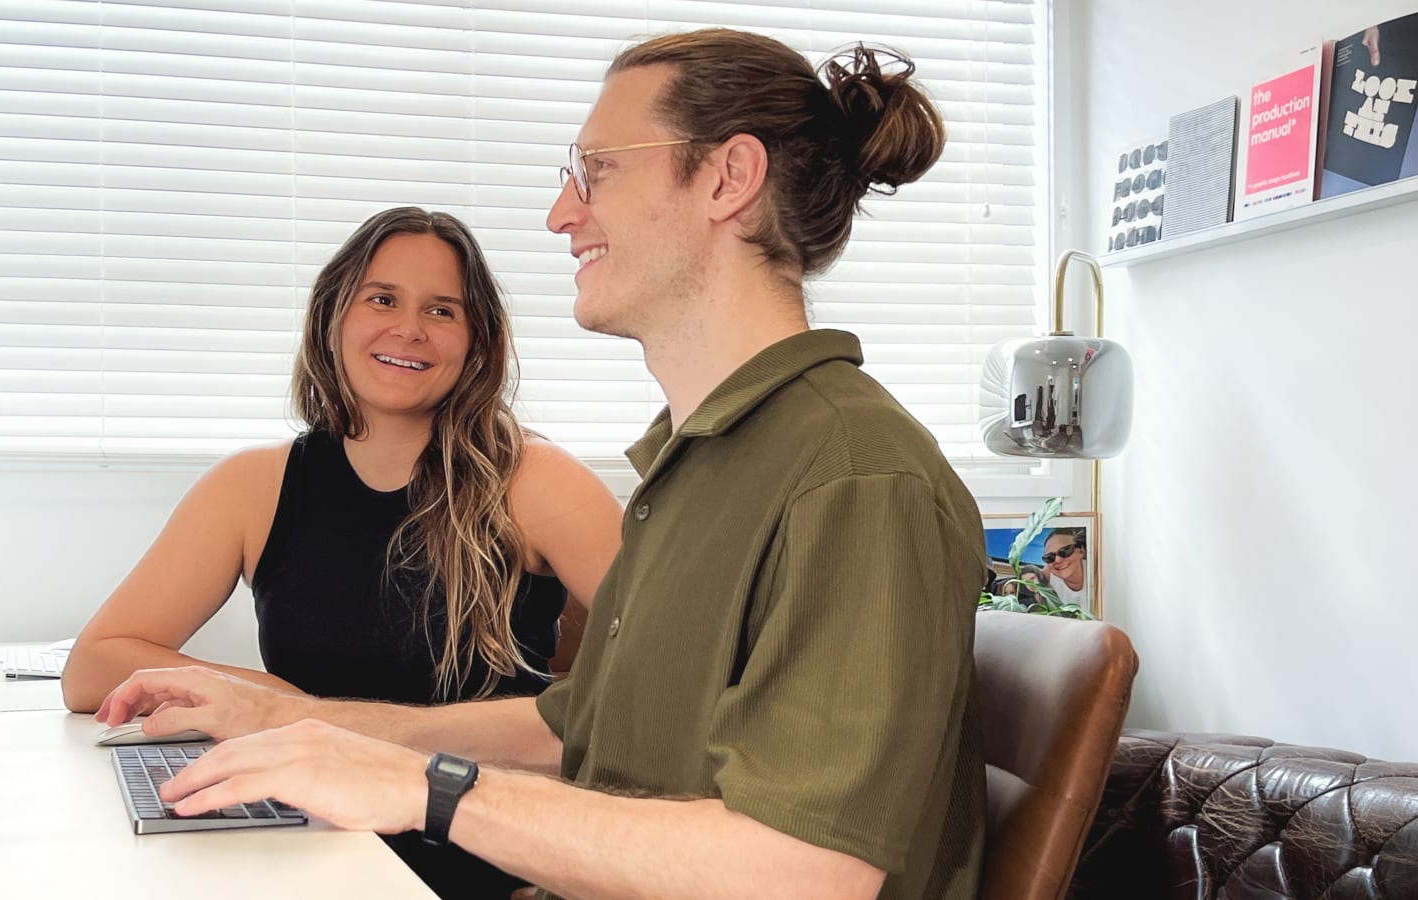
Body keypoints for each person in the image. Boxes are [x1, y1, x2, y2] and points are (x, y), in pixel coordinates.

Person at [95, 29, 988, 900]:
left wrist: (423, 790)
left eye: (598, 169)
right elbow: (571, 733)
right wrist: (304, 723)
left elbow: (808, 875)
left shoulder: (856, 478)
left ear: (729, 178)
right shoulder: (699, 468)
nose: (561, 212)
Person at [61, 206, 624, 898]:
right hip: (313, 846)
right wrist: (271, 702)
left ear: (476, 341)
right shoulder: (251, 486)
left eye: (441, 310)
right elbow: (92, 665)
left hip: (478, 854)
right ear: (333, 315)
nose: (409, 329)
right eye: (382, 299)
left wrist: (295, 719)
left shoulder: (538, 482)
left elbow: (683, 682)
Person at [1041, 528, 1089, 611]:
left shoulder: (1098, 574)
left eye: (1065, 551)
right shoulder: (1049, 575)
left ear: (1081, 551)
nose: (1058, 560)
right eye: (1049, 557)